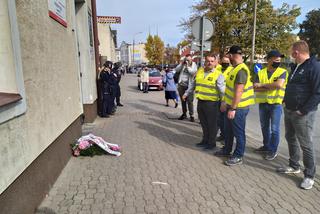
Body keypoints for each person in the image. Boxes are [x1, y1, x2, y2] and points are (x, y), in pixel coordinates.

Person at [277, 40, 320, 190]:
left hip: (303, 113)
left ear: (296, 53)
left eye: (291, 52)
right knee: (290, 137)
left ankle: (309, 175)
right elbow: (291, 87)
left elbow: (317, 93)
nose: (290, 54)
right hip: (289, 109)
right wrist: (284, 101)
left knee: (306, 144)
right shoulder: (296, 66)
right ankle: (294, 165)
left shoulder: (314, 66)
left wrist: (303, 110)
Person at [214, 45, 255, 166]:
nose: (228, 58)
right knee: (228, 130)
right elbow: (230, 90)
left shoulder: (241, 70)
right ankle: (227, 150)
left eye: (229, 56)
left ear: (231, 56)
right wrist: (225, 102)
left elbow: (239, 91)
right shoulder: (234, 68)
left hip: (239, 108)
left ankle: (238, 156)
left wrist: (233, 108)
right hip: (231, 106)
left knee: (238, 132)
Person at [183, 54, 225, 150]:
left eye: (212, 61)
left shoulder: (218, 74)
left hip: (212, 104)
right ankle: (205, 140)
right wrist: (186, 93)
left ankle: (211, 143)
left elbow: (222, 90)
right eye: (207, 61)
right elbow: (193, 84)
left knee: (212, 125)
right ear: (204, 62)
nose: (209, 63)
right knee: (203, 123)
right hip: (201, 102)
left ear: (215, 63)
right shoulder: (200, 72)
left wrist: (223, 102)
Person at [253, 50, 288, 161]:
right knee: (264, 127)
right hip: (263, 104)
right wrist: (269, 86)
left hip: (276, 105)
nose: (278, 59)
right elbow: (255, 87)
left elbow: (278, 85)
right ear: (268, 59)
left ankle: (273, 151)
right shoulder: (261, 72)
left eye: (280, 58)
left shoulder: (282, 72)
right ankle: (266, 146)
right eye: (275, 57)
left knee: (274, 129)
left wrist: (262, 85)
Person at [175, 54, 197, 122]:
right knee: (183, 101)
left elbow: (192, 72)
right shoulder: (183, 64)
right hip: (181, 85)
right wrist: (182, 64)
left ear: (191, 59)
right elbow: (177, 70)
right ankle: (184, 114)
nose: (187, 61)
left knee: (190, 101)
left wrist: (187, 66)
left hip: (189, 86)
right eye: (186, 59)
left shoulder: (194, 65)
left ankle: (192, 115)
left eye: (188, 60)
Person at [216, 56, 233, 142]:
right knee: (220, 119)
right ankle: (222, 135)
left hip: (227, 98)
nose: (225, 63)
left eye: (227, 61)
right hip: (218, 98)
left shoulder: (231, 70)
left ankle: (227, 137)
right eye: (224, 61)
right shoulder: (218, 70)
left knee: (226, 119)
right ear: (221, 62)